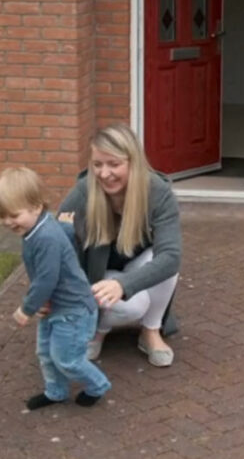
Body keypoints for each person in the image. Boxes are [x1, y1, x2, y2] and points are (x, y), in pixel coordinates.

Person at [58, 124, 182, 367]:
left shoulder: (157, 192)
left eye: (114, 164)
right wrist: (48, 295)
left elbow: (171, 256)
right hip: (97, 274)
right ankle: (98, 330)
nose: (104, 174)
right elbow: (53, 249)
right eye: (97, 165)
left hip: (134, 268)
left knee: (164, 262)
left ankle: (151, 331)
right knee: (133, 307)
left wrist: (124, 284)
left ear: (133, 163)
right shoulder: (83, 192)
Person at [0, 166, 111, 409]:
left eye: (13, 215)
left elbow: (47, 279)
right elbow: (65, 234)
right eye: (1, 216)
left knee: (67, 359)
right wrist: (66, 226)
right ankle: (55, 391)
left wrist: (27, 308)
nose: (7, 222)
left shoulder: (45, 237)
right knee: (45, 353)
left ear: (36, 207)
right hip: (54, 306)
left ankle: (98, 385)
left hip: (74, 310)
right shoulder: (39, 227)